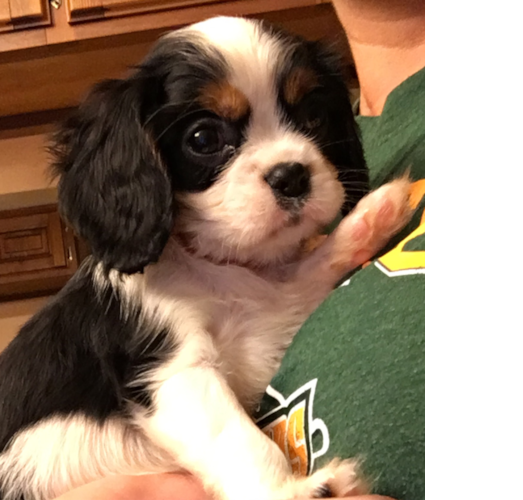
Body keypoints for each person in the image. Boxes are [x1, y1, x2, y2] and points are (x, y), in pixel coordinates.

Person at [59, 1, 425, 498]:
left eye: (309, 116)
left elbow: (252, 346)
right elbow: (184, 384)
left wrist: (332, 258)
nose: (288, 161)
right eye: (206, 138)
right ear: (148, 160)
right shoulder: (149, 294)